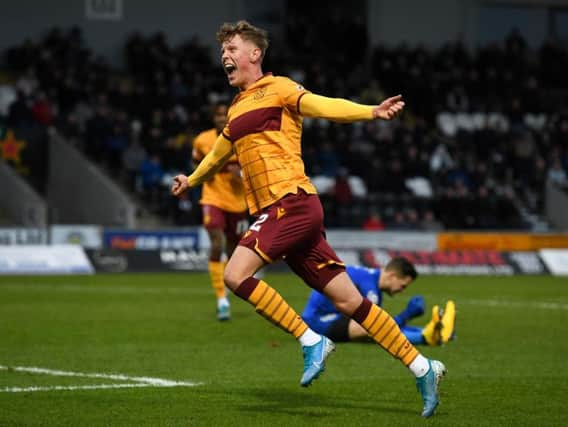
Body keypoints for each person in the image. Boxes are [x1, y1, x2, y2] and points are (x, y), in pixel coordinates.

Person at [171, 20, 446, 417]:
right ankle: (423, 367)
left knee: (235, 274)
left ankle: (310, 339)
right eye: (222, 51)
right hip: (279, 213)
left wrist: (372, 111)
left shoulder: (279, 88)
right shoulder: (236, 107)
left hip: (291, 202)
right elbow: (217, 154)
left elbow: (323, 105)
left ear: (255, 53)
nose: (224, 56)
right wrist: (192, 179)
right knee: (350, 301)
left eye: (232, 48)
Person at [301, 257, 456, 346]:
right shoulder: (370, 287)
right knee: (370, 327)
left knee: (373, 325)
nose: (402, 290)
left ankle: (431, 332)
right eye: (403, 285)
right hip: (316, 323)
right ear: (392, 276)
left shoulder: (371, 282)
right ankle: (424, 337)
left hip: (333, 318)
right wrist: (406, 315)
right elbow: (376, 327)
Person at [192, 102, 249, 320]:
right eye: (218, 115)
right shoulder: (202, 140)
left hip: (238, 203)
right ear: (213, 118)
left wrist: (241, 174)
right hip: (212, 199)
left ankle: (233, 288)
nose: (222, 118)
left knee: (235, 252)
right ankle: (221, 299)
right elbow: (197, 161)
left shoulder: (244, 139)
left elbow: (254, 169)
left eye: (225, 115)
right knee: (217, 243)